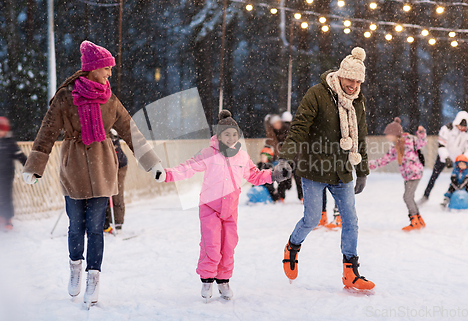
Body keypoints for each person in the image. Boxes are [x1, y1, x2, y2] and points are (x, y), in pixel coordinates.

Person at [22, 41, 165, 308]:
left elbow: (130, 130)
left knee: (96, 229)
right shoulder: (66, 97)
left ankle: (93, 276)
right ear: (93, 68)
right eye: (107, 68)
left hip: (102, 168)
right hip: (73, 168)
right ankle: (75, 267)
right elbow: (47, 131)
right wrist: (34, 166)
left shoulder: (109, 98)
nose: (110, 73)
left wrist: (152, 162)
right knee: (76, 227)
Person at [163, 110, 291, 301]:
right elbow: (188, 167)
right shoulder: (209, 153)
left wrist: (273, 175)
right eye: (226, 134)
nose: (230, 138)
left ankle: (223, 280)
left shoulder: (242, 157)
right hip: (210, 207)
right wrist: (167, 174)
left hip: (230, 209)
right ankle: (207, 280)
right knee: (212, 245)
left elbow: (255, 175)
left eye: (234, 134)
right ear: (219, 135)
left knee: (229, 246)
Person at [277, 47, 375, 290]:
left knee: (351, 221)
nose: (353, 85)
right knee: (311, 219)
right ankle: (293, 246)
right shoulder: (318, 94)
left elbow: (360, 136)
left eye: (358, 81)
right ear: (341, 75)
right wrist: (286, 159)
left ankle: (351, 273)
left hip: (342, 171)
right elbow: (299, 128)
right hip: (314, 168)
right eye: (350, 79)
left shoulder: (358, 102)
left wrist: (361, 170)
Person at [369, 118, 427, 231]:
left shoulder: (410, 140)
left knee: (407, 197)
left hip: (415, 173)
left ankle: (414, 220)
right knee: (409, 197)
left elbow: (422, 142)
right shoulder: (394, 147)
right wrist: (370, 165)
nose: (387, 137)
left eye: (388, 134)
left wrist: (421, 133)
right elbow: (385, 160)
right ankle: (419, 219)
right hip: (407, 176)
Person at [418, 111, 468, 205]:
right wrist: (446, 158)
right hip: (444, 157)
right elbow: (441, 146)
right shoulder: (446, 129)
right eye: (461, 126)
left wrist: (465, 158)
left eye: (464, 126)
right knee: (434, 177)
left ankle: (467, 198)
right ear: (457, 122)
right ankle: (425, 196)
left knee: (464, 178)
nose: (462, 128)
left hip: (460, 159)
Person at [0, 117, 27, 231]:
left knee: (6, 196)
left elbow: (20, 155)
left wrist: (29, 166)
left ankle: (8, 218)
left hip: (6, 175)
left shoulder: (10, 142)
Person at [104, 129, 128, 232]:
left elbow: (114, 156)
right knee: (104, 192)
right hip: (106, 165)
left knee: (116, 192)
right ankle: (106, 221)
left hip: (119, 165)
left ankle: (117, 221)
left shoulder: (112, 134)